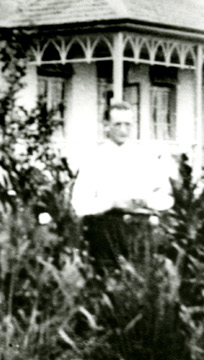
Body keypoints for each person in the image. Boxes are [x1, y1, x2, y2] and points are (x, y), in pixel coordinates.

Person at [72, 100, 174, 266]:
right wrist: (112, 203)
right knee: (107, 285)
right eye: (117, 124)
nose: (123, 130)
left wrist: (147, 200)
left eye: (128, 124)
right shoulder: (94, 159)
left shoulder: (146, 157)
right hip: (106, 232)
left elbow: (166, 197)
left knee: (141, 284)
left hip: (141, 232)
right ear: (106, 125)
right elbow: (79, 204)